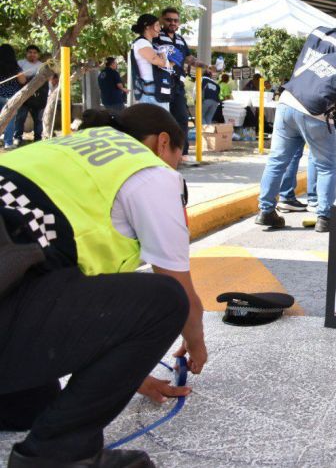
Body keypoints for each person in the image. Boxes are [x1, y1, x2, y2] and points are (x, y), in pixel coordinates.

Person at [0, 103, 208, 467]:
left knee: (35, 404)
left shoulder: (67, 149)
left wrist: (125, 374)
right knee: (165, 301)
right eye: (177, 158)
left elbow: (85, 313)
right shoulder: (150, 173)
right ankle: (59, 457)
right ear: (163, 143)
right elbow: (181, 293)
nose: (174, 168)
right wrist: (197, 343)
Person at [257, 53, 336, 232]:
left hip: (287, 102)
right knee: (326, 167)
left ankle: (265, 211)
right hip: (315, 113)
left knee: (276, 160)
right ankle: (325, 217)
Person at [157, 7, 199, 157]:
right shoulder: (156, 37)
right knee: (162, 120)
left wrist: (203, 65)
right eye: (169, 20)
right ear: (162, 20)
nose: (172, 23)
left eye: (175, 20)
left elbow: (188, 57)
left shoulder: (180, 39)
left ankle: (182, 153)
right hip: (161, 84)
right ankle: (162, 153)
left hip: (178, 85)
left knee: (181, 118)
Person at [130, 14, 173, 111]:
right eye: (157, 25)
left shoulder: (150, 44)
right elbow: (159, 62)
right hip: (150, 90)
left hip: (155, 89)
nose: (160, 29)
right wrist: (164, 56)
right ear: (147, 27)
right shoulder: (141, 43)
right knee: (158, 119)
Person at [11, 45, 46, 146]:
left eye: (35, 53)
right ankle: (17, 138)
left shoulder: (42, 65)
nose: (32, 54)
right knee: (20, 118)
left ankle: (38, 138)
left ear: (38, 55)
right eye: (30, 52)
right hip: (23, 96)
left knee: (38, 119)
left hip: (38, 97)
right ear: (26, 53)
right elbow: (17, 78)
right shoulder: (20, 63)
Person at [0, 44, 27, 149]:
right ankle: (8, 143)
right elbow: (23, 80)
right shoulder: (15, 67)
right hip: (11, 98)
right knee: (10, 120)